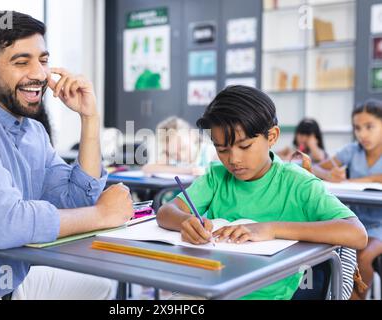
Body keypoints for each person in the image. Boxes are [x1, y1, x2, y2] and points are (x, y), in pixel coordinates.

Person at [0, 11, 134, 300]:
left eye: (42, 60)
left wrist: (89, 118)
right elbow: (5, 225)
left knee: (103, 284)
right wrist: (102, 215)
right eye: (21, 62)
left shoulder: (33, 132)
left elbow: (76, 201)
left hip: (15, 281)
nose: (39, 74)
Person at [157, 85, 368, 300]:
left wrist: (271, 229)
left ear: (272, 136)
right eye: (222, 149)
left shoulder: (298, 183)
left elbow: (356, 233)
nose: (233, 159)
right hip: (213, 285)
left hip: (268, 293)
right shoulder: (216, 176)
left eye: (245, 146)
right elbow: (166, 211)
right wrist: (185, 221)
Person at [314, 99, 382, 300]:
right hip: (354, 220)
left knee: (362, 255)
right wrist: (329, 175)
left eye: (369, 127)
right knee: (331, 255)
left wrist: (361, 179)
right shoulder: (352, 150)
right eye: (357, 128)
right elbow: (316, 168)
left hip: (380, 224)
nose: (362, 134)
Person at [143, 116, 217, 177]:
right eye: (174, 154)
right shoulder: (172, 159)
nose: (181, 156)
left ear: (193, 135)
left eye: (182, 148)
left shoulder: (211, 152)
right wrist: (188, 171)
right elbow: (147, 168)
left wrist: (206, 171)